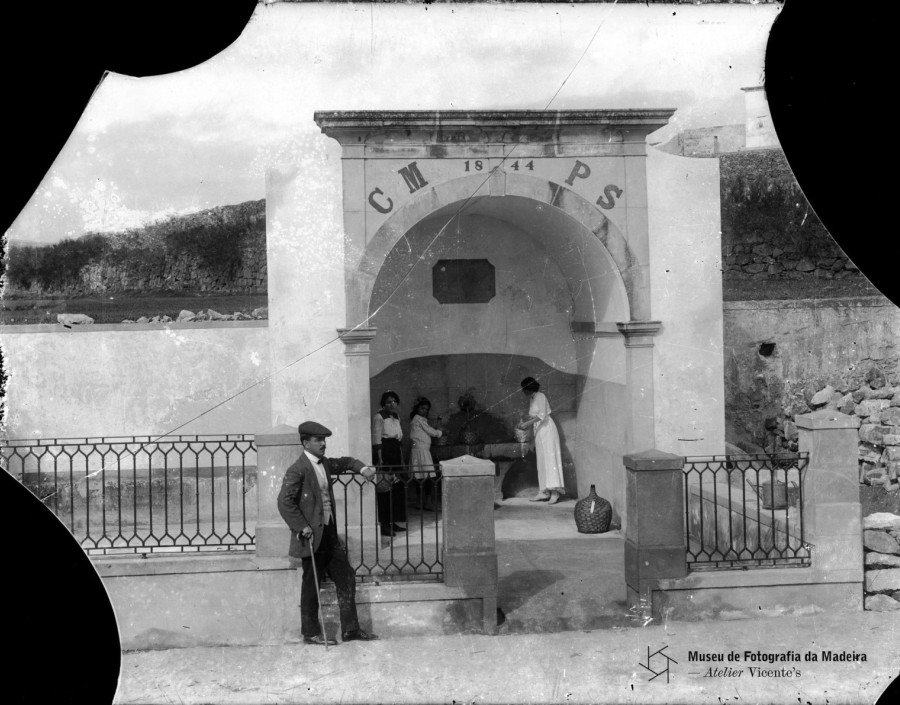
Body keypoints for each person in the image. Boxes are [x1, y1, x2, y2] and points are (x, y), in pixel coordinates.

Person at [277, 420, 379, 645]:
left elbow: (347, 461)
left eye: (324, 440)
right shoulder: (298, 469)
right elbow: (285, 503)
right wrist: (302, 526)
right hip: (312, 537)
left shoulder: (324, 464)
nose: (323, 444)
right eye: (318, 440)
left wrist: (363, 469)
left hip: (329, 534)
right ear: (306, 442)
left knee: (346, 577)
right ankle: (311, 633)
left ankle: (350, 630)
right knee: (311, 584)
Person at [516, 377, 566, 504]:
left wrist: (526, 424)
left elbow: (542, 416)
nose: (523, 392)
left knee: (550, 461)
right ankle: (543, 492)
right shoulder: (533, 398)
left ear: (529, 388)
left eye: (524, 389)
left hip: (548, 430)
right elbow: (536, 419)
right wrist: (532, 440)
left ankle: (555, 493)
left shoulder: (540, 396)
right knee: (542, 462)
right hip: (539, 431)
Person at [372, 390, 407, 536]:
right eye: (388, 402)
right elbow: (376, 437)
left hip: (395, 451)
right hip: (385, 451)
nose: (392, 404)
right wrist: (380, 458)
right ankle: (385, 525)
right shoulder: (379, 416)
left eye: (394, 401)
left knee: (396, 488)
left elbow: (398, 437)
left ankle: (393, 522)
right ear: (383, 404)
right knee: (385, 489)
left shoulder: (396, 416)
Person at [408, 396, 443, 510]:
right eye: (422, 408)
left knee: (420, 477)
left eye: (427, 409)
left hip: (421, 451)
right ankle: (426, 502)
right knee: (426, 477)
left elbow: (428, 430)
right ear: (417, 408)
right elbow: (431, 432)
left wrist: (437, 428)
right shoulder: (419, 419)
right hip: (421, 451)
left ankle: (421, 501)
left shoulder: (418, 420)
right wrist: (439, 432)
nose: (425, 411)